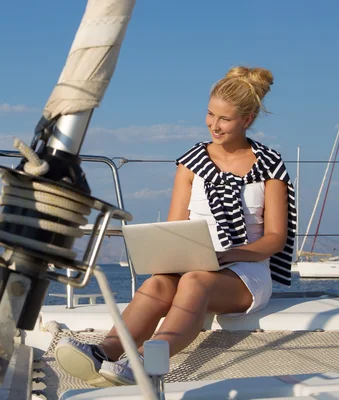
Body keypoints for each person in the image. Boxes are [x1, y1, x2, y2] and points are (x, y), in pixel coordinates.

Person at [55, 66, 296, 387]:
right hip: (194, 262)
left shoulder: (269, 165)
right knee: (157, 284)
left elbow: (275, 239)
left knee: (197, 281)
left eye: (224, 119)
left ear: (247, 119)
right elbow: (174, 228)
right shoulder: (191, 161)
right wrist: (172, 259)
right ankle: (106, 351)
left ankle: (145, 361)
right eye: (210, 115)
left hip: (245, 271)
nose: (214, 125)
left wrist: (227, 255)